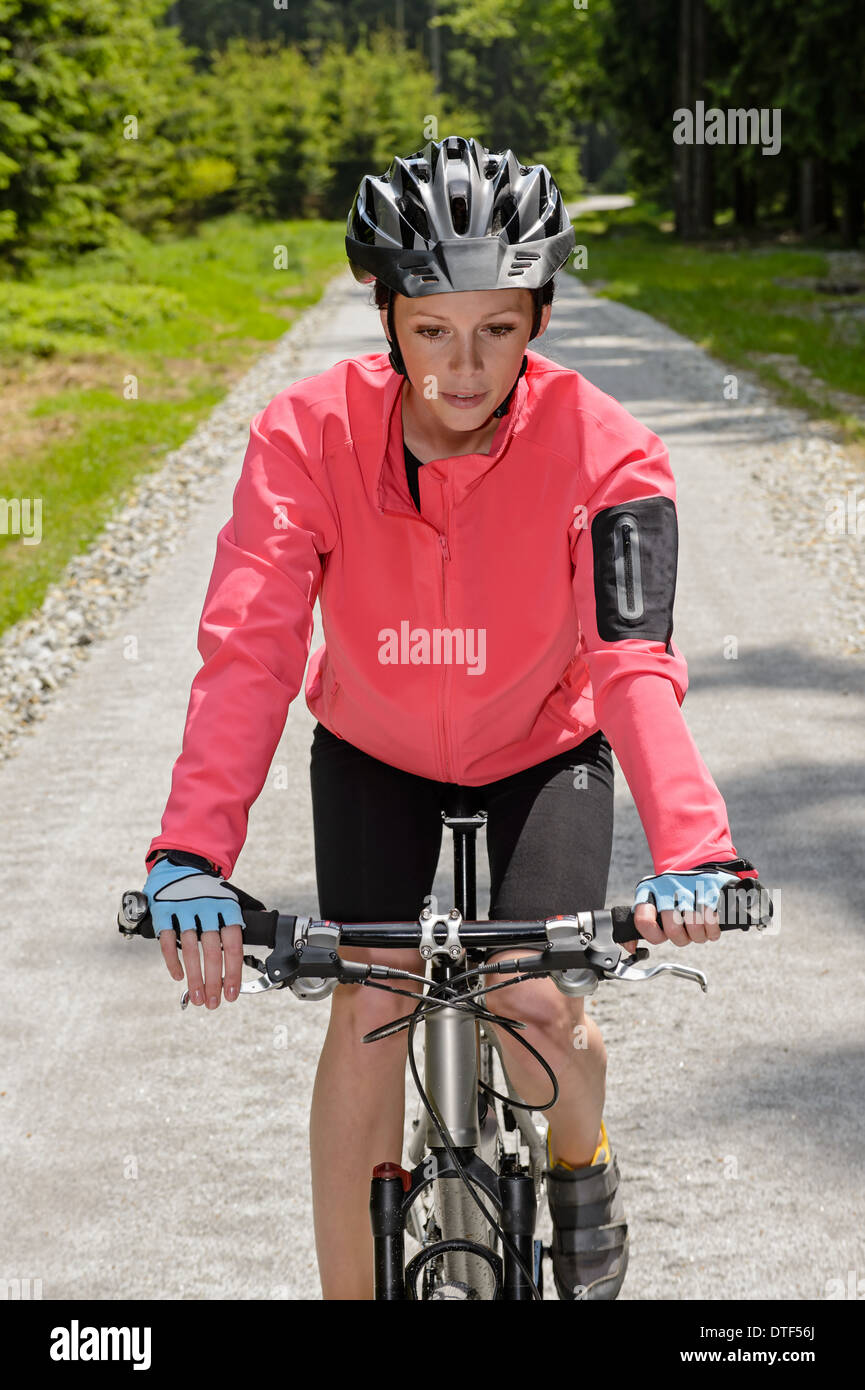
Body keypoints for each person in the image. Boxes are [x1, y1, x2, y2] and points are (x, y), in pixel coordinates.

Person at [141, 135, 764, 1301]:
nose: (464, 366)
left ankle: (580, 1156)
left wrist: (695, 850)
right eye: (432, 329)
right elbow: (250, 651)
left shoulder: (612, 450)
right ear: (384, 315)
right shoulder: (303, 435)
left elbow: (633, 665)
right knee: (373, 992)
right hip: (373, 749)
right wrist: (191, 854)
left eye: (498, 328)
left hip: (541, 748)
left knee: (531, 993)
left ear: (538, 315)